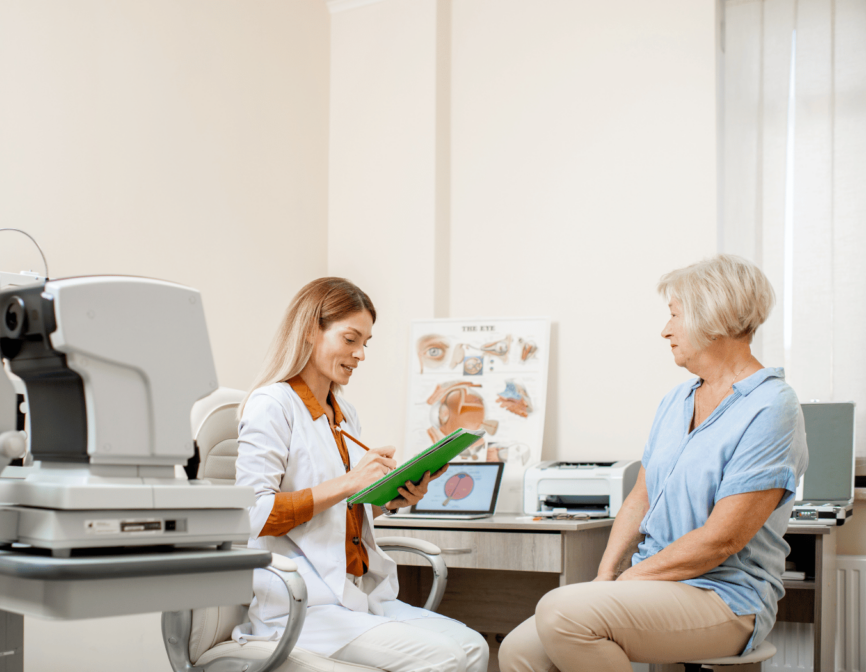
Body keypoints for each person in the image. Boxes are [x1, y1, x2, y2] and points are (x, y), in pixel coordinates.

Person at [499, 255, 809, 672]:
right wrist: (605, 578)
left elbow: (722, 540)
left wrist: (627, 581)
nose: (665, 330)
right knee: (518, 649)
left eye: (675, 315)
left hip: (724, 598)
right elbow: (639, 499)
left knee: (564, 614)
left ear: (711, 316)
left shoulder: (771, 406)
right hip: (654, 583)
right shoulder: (676, 401)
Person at [232, 277, 489, 672]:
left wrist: (391, 500)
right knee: (445, 659)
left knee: (474, 648)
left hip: (354, 595)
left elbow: (342, 514)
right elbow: (254, 515)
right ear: (309, 331)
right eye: (351, 339)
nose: (360, 354)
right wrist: (352, 480)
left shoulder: (344, 413)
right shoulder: (272, 404)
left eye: (365, 343)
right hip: (303, 606)